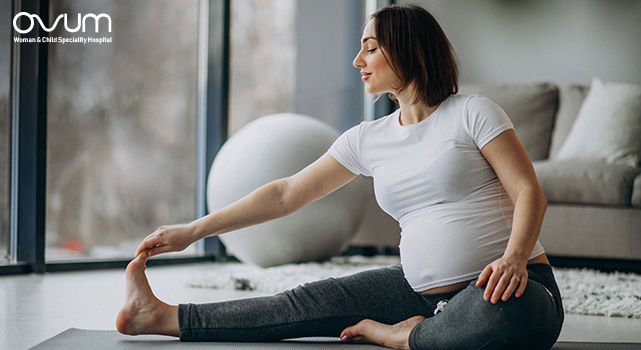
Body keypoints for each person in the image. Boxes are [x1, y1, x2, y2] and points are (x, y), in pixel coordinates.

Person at [116, 4, 564, 349]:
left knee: (504, 314)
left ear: (408, 48)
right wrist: (193, 231)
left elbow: (529, 193)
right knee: (304, 302)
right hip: (416, 292)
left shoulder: (473, 112)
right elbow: (285, 194)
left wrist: (513, 259)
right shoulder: (368, 139)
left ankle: (402, 337)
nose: (357, 60)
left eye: (370, 47)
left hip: (512, 289)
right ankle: (158, 316)